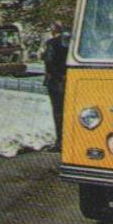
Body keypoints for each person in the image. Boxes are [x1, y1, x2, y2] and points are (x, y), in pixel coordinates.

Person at [42, 21, 71, 150]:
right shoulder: (73, 43)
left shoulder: (52, 43)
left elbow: (49, 62)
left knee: (58, 113)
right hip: (71, 79)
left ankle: (60, 142)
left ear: (53, 30)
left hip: (56, 81)